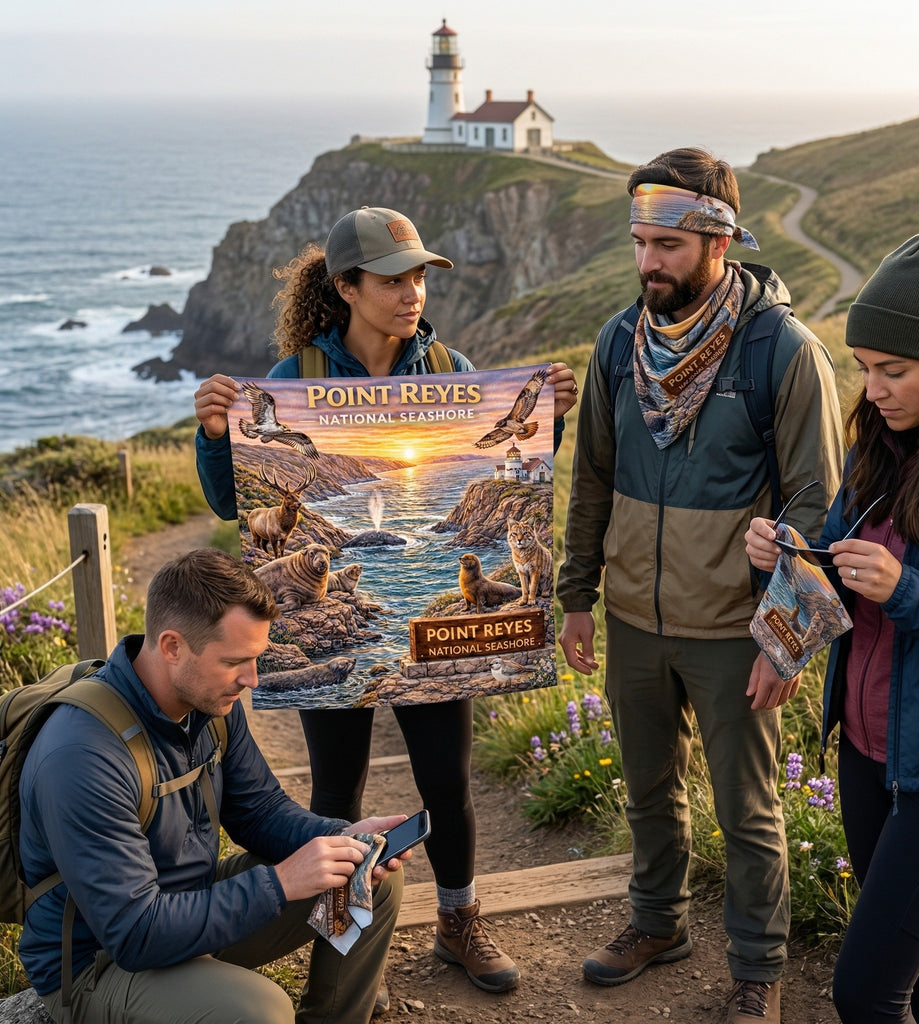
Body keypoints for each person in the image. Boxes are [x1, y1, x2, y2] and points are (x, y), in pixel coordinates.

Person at [193, 206, 578, 1000]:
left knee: (447, 780)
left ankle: (459, 921)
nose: (412, 293)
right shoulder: (296, 382)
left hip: (432, 644)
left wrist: (550, 421)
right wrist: (210, 435)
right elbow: (229, 499)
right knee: (337, 792)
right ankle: (344, 945)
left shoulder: (449, 363)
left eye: (418, 276)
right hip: (331, 629)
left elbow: (513, 463)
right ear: (346, 287)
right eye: (393, 279)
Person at [556, 148, 844, 1024]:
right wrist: (577, 595)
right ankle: (658, 924)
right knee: (647, 787)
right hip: (635, 619)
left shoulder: (783, 354)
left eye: (669, 246)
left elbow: (818, 507)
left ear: (720, 239)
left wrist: (784, 639)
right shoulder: (618, 342)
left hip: (732, 629)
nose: (650, 263)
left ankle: (759, 969)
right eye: (641, 243)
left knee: (748, 810)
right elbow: (593, 479)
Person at [746, 230, 919, 1023]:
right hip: (869, 760)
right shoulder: (876, 448)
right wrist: (783, 556)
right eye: (864, 367)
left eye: (892, 371)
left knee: (865, 992)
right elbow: (837, 573)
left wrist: (906, 591)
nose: (871, 391)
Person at [18, 547, 409, 1024]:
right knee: (261, 1012)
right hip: (99, 963)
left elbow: (260, 811)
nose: (253, 681)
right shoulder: (82, 755)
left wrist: (342, 835)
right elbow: (135, 931)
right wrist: (282, 883)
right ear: (172, 646)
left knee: (362, 874)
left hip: (186, 910)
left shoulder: (207, 704)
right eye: (235, 663)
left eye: (257, 659)